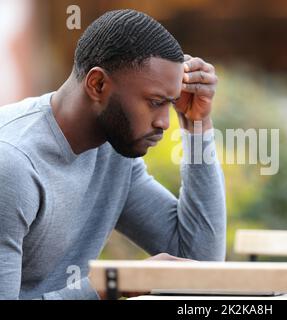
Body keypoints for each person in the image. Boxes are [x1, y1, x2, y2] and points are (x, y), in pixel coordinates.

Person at [0, 9, 226, 300]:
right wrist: (114, 284)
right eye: (155, 102)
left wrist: (197, 125)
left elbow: (198, 263)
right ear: (98, 85)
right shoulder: (14, 164)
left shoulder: (114, 152)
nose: (164, 122)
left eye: (169, 105)